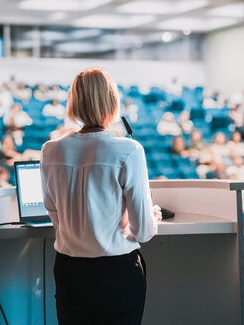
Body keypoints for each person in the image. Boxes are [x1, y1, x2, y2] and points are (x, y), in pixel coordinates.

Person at [40, 67, 160, 325]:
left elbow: (55, 214)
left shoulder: (50, 150)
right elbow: (144, 232)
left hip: (69, 270)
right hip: (116, 272)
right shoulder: (129, 150)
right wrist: (146, 219)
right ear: (111, 101)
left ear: (74, 102)